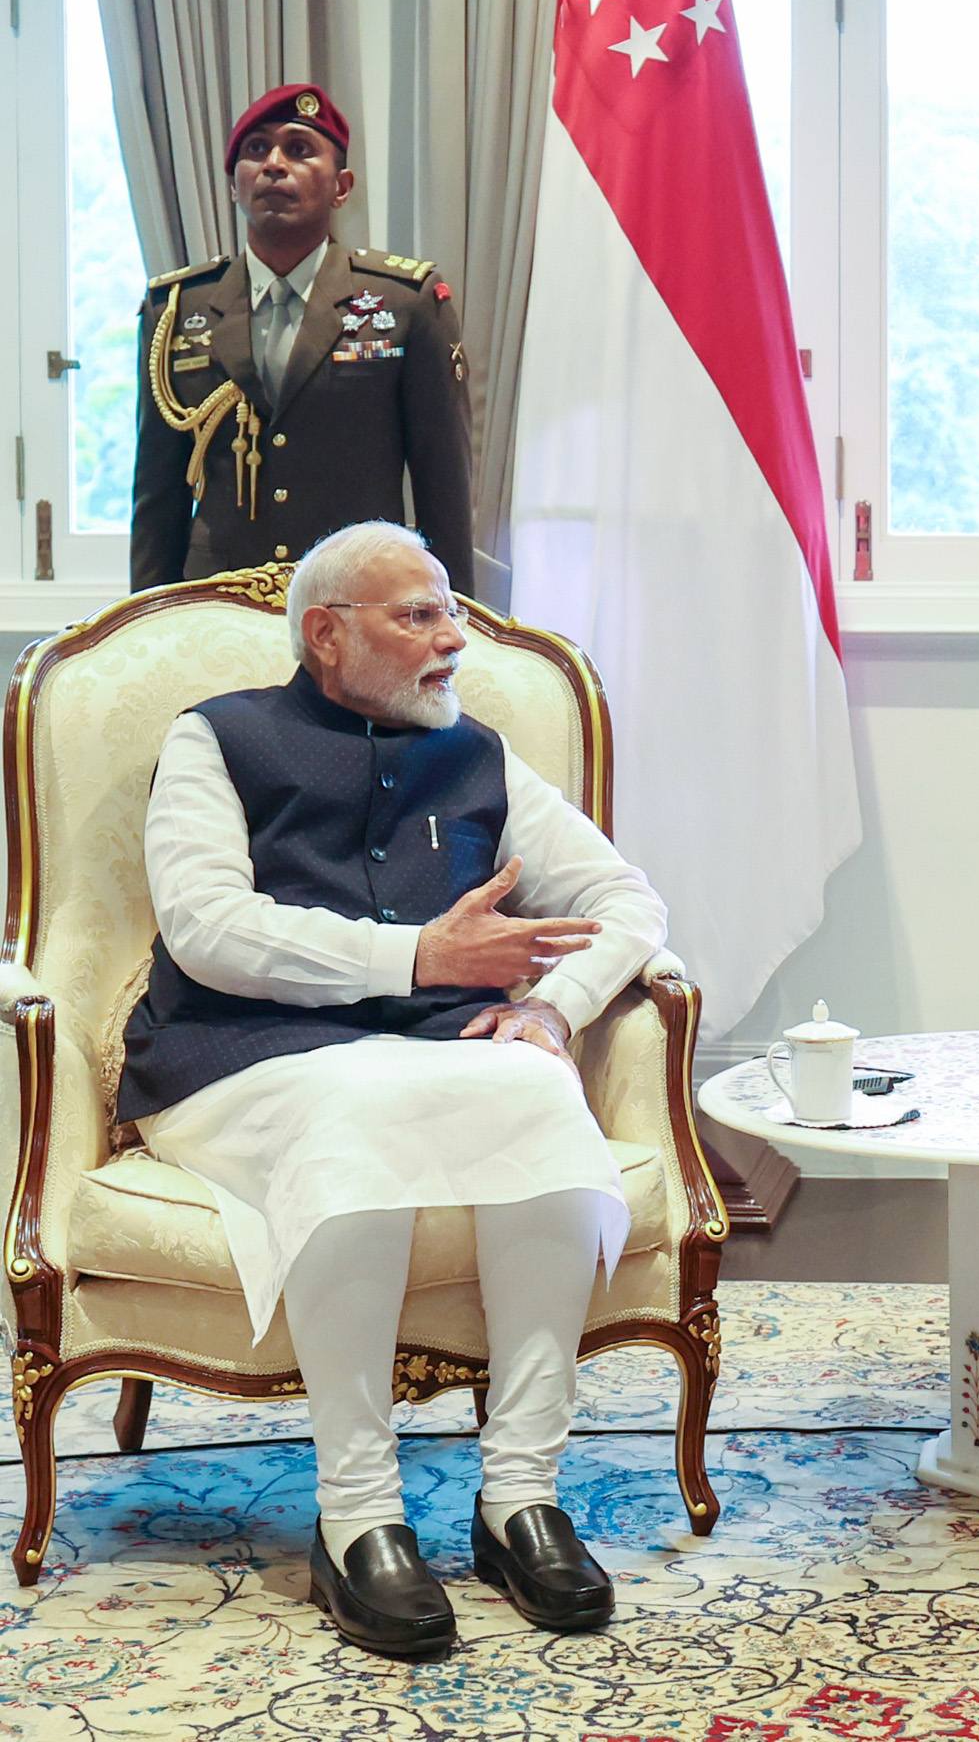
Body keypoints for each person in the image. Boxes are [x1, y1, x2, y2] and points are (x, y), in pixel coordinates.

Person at [116, 520, 666, 1659]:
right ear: (327, 634)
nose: (453, 640)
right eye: (418, 616)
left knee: (536, 1094)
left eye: (452, 611)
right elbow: (209, 930)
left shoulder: (477, 754)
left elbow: (629, 903)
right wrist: (420, 957)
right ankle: (357, 1516)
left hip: (429, 1058)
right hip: (238, 1059)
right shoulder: (218, 741)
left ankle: (521, 1497)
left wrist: (552, 1011)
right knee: (355, 1111)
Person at [129, 84, 476, 597]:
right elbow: (158, 495)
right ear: (234, 185)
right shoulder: (179, 309)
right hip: (217, 605)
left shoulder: (404, 302)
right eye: (255, 150)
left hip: (359, 602)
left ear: (341, 185)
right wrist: (144, 625)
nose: (273, 164)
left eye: (298, 149)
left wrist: (452, 620)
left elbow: (442, 487)